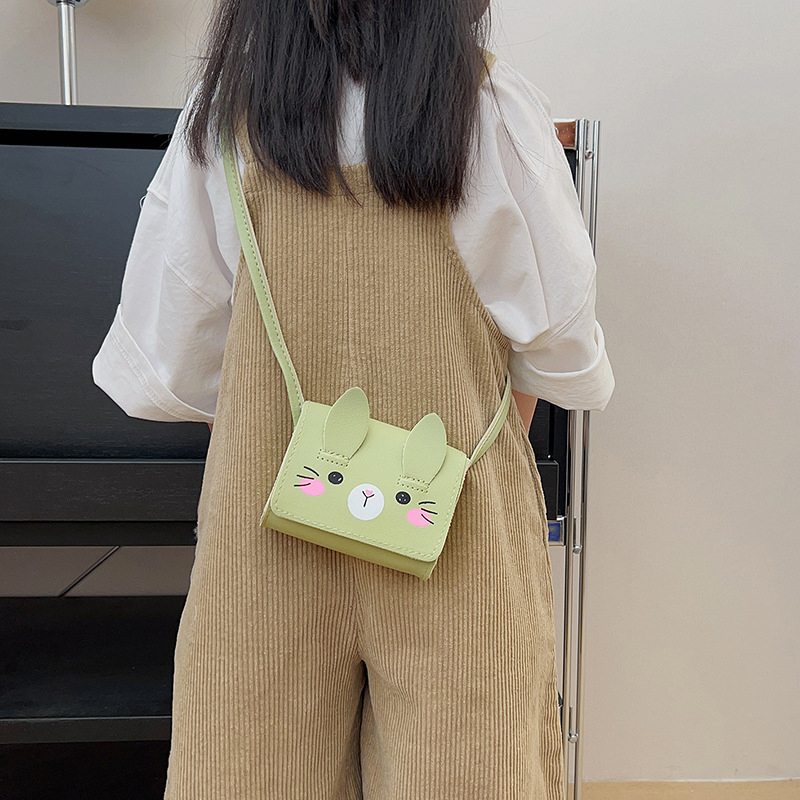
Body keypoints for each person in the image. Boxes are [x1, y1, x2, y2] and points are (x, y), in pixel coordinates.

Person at [92, 1, 614, 797]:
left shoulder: (225, 117)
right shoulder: (494, 110)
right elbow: (561, 355)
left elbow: (171, 365)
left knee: (251, 766)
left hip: (272, 517)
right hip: (456, 522)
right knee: (472, 768)